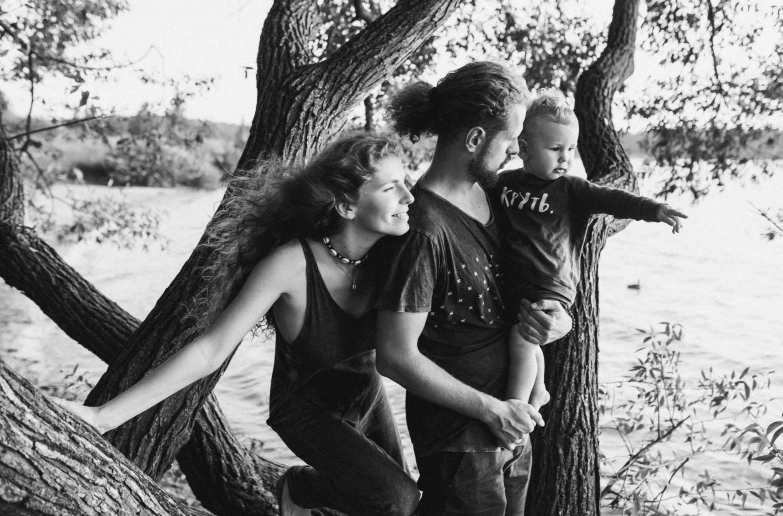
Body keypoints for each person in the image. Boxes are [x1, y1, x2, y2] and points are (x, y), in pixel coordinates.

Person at [56, 133, 420, 516]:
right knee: (399, 499)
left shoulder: (392, 257)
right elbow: (210, 350)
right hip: (309, 410)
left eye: (407, 183)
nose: (409, 198)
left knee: (402, 506)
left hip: (365, 395)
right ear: (347, 205)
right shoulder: (291, 264)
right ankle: (300, 486)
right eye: (392, 188)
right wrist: (102, 416)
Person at [375, 62, 573, 515]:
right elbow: (394, 355)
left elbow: (541, 273)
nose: (515, 154)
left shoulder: (498, 197)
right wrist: (491, 411)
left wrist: (559, 319)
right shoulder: (423, 230)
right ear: (474, 140)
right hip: (461, 446)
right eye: (509, 142)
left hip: (513, 425)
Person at [494, 89, 687, 413]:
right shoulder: (504, 183)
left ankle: (516, 405)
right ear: (523, 149)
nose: (565, 158)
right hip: (519, 282)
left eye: (571, 149)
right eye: (555, 149)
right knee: (526, 333)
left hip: (551, 282)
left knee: (522, 339)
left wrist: (654, 209)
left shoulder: (572, 188)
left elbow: (615, 199)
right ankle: (539, 389)